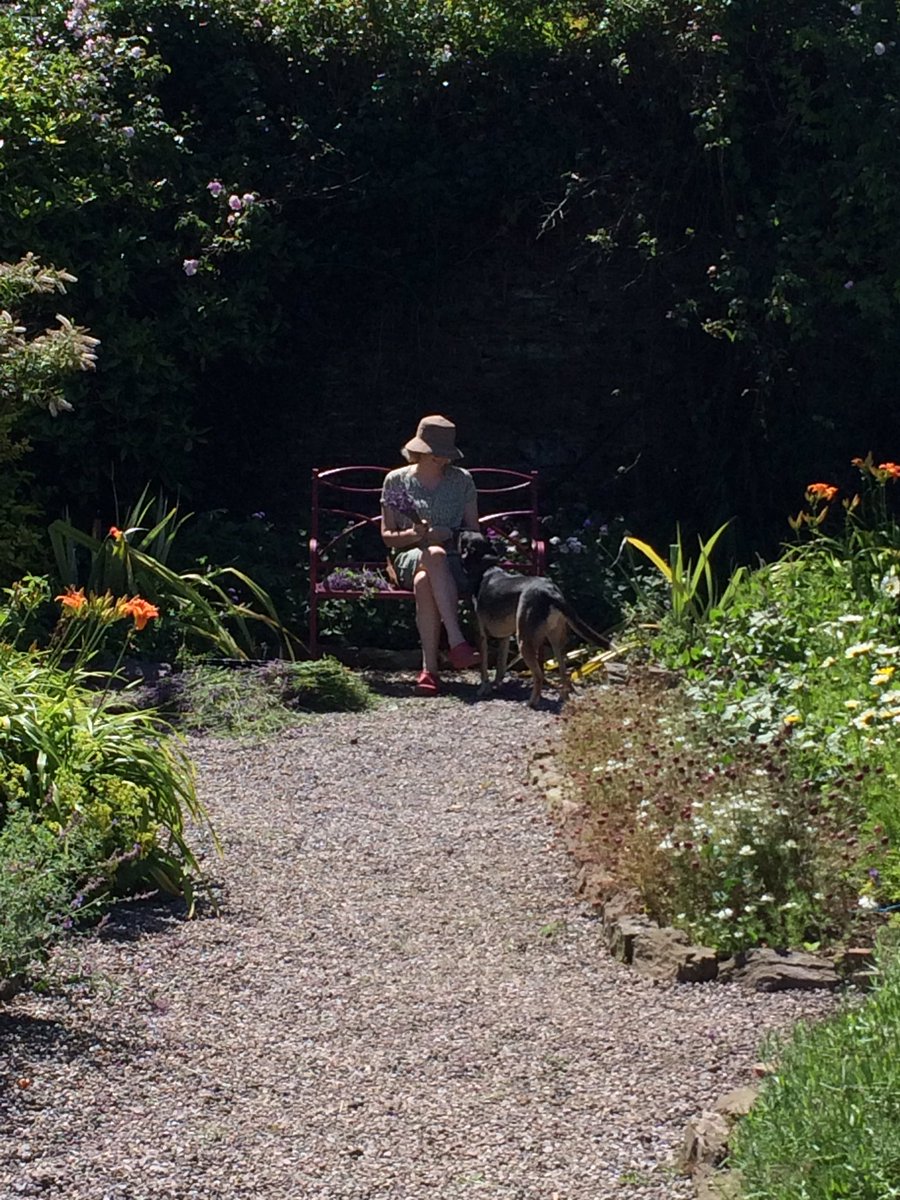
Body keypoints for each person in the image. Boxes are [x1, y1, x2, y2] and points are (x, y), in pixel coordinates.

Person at [381, 414, 482, 696]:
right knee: (432, 555)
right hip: (407, 556)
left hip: (452, 561)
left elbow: (474, 531)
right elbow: (387, 537)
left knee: (425, 582)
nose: (444, 461)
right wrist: (418, 535)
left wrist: (448, 534)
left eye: (445, 455)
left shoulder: (461, 480)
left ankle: (429, 671)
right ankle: (457, 641)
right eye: (436, 455)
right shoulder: (396, 481)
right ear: (419, 452)